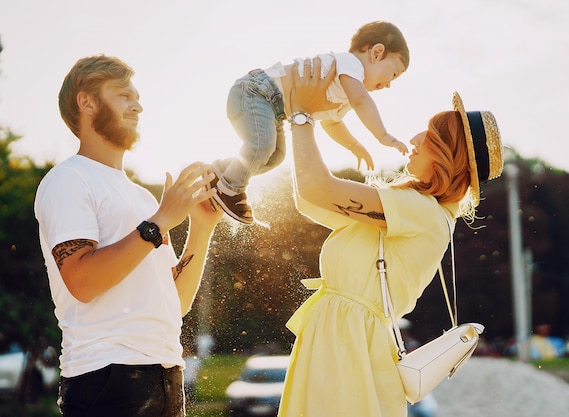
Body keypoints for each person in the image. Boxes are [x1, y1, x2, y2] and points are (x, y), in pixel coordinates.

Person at [276, 58, 504, 417]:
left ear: (447, 154)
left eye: (429, 136)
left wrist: (302, 114)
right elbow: (309, 197)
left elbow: (318, 187)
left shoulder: (422, 211)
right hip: (341, 336)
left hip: (348, 342)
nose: (413, 139)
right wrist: (310, 118)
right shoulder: (416, 208)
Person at [34, 54, 223, 417]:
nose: (137, 105)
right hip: (106, 380)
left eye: (136, 96)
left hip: (166, 374)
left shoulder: (141, 198)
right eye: (123, 94)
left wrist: (201, 228)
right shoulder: (67, 180)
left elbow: (175, 303)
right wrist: (160, 222)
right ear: (86, 101)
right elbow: (83, 281)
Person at [211, 20, 410, 225]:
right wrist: (383, 136)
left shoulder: (344, 94)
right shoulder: (350, 64)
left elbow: (332, 123)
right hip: (257, 91)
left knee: (276, 156)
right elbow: (362, 101)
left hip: (274, 110)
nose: (388, 85)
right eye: (393, 74)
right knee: (262, 146)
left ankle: (223, 172)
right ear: (376, 53)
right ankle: (229, 189)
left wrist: (353, 145)